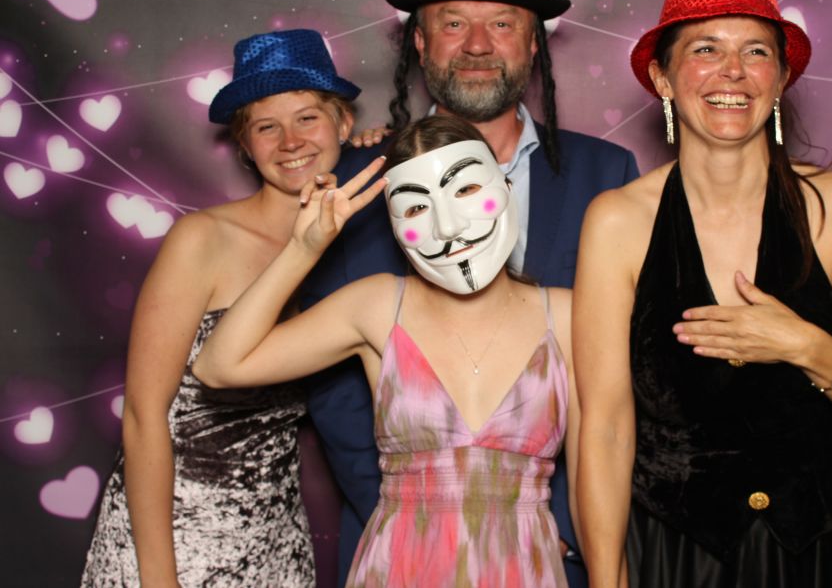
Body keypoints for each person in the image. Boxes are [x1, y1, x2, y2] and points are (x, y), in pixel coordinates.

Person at [301, 0, 639, 586]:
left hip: (558, 553)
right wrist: (433, 522)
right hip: (401, 551)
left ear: (533, 42)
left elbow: (621, 386)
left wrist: (558, 526)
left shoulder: (607, 176)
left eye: (502, 24)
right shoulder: (354, 182)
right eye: (454, 23)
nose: (478, 44)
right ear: (419, 41)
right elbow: (334, 390)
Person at [574, 0, 832, 587]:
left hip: (819, 559)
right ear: (662, 77)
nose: (732, 70)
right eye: (706, 49)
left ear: (781, 78)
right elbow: (603, 430)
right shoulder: (617, 221)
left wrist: (806, 346)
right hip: (675, 558)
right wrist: (605, 579)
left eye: (756, 51)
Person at [193, 115, 580, 587]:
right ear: (394, 225)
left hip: (522, 567)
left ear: (504, 187)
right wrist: (303, 248)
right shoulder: (377, 306)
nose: (447, 225)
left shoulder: (565, 315)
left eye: (464, 190)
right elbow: (219, 365)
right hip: (402, 565)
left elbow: (606, 454)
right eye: (416, 208)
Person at [81, 29, 361, 587]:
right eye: (266, 127)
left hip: (277, 543)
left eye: (307, 118)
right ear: (245, 145)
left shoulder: (355, 245)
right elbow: (143, 416)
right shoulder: (203, 239)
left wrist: (384, 144)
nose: (290, 141)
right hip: (176, 535)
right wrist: (159, 578)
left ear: (343, 125)